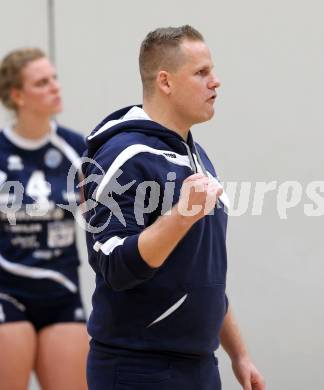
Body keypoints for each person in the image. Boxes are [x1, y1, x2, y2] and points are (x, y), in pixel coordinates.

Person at [84, 25, 265, 390]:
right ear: (165, 82)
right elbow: (114, 266)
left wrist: (239, 354)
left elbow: (203, 277)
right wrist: (181, 216)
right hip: (138, 367)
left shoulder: (196, 157)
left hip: (199, 366)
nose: (216, 82)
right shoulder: (122, 157)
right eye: (201, 73)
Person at [0, 48, 88, 390]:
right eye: (42, 82)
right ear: (17, 96)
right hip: (7, 290)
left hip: (62, 291)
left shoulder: (77, 148)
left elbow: (104, 219)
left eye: (54, 78)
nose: (55, 87)